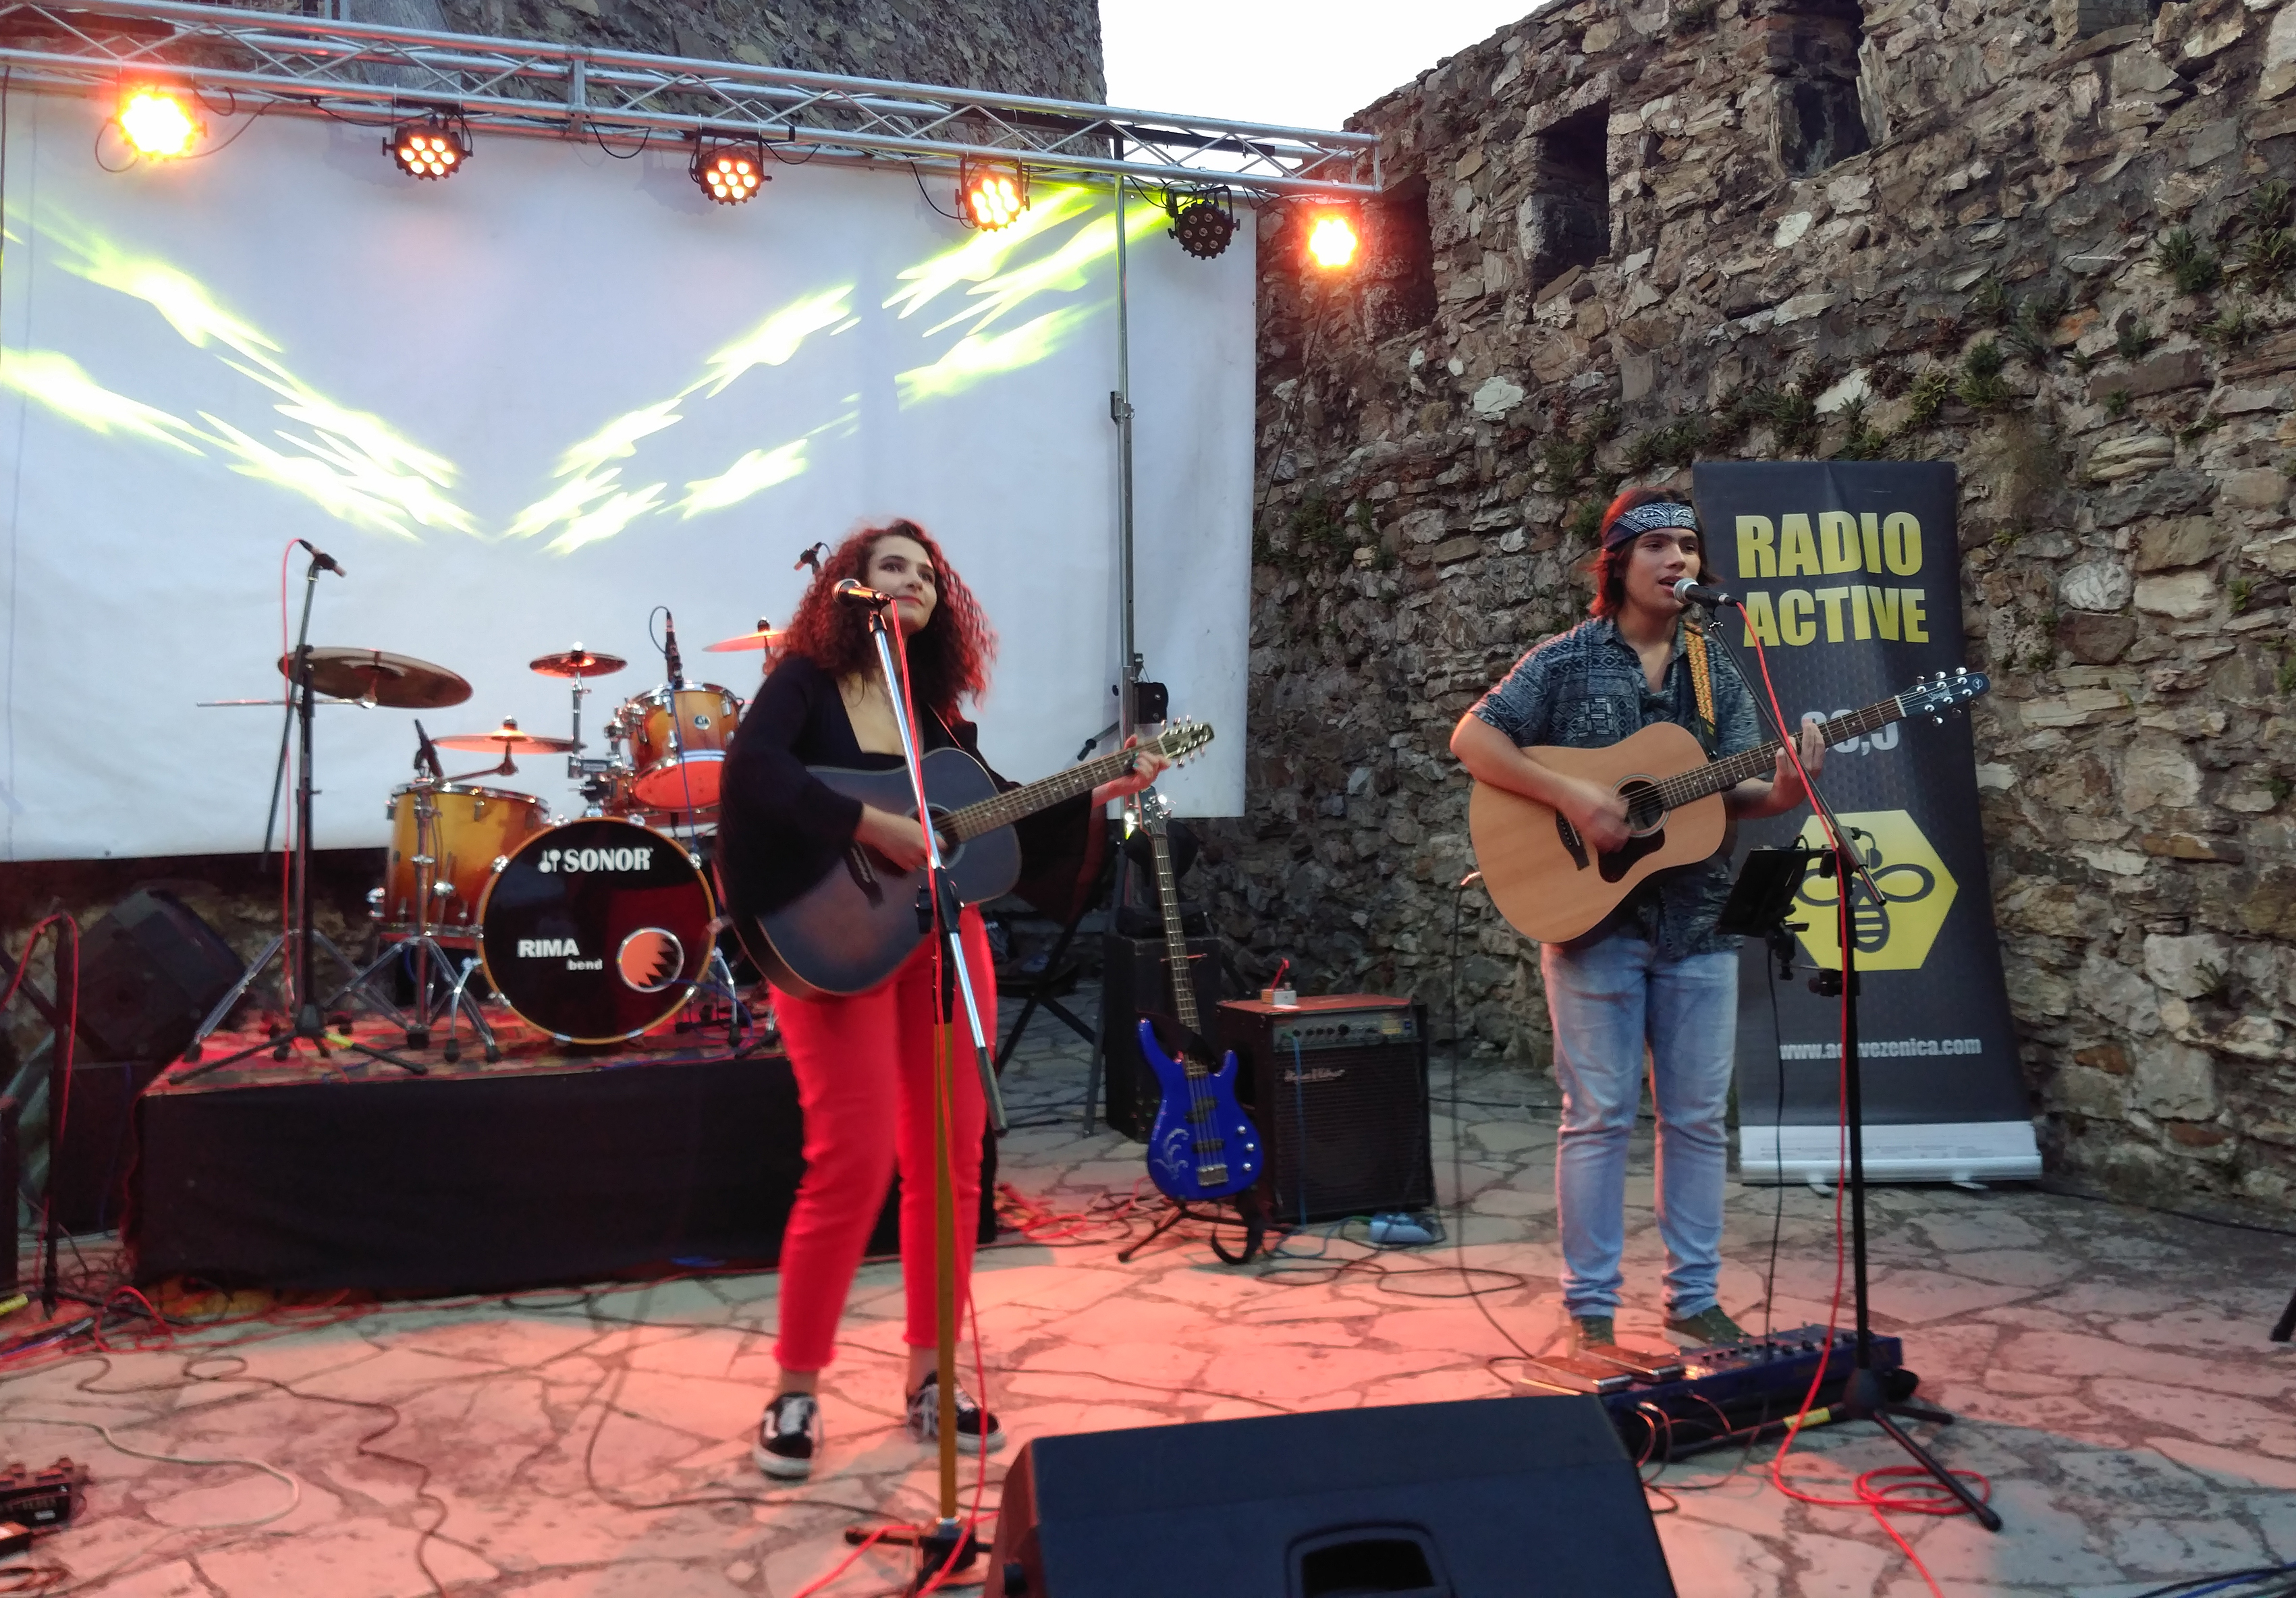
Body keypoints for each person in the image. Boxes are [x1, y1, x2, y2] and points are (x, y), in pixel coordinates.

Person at [717, 518, 1167, 1480]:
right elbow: (752, 773)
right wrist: (869, 824)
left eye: (926, 572)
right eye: (893, 566)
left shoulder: (934, 713)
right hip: (833, 944)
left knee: (952, 1161)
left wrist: (1104, 786)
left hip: (938, 941)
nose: (913, 581)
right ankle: (795, 1388)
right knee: (849, 1161)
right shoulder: (804, 682)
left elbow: (995, 812)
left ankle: (935, 1376)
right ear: (851, 585)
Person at [1448, 487, 1826, 1354]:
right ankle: (1590, 1308)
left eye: (1687, 544)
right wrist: (1573, 796)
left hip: (1699, 924)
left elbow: (1740, 792)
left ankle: (1694, 1299)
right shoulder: (1565, 659)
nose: (1677, 558)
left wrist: (1785, 788)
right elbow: (1473, 738)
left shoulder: (1714, 667)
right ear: (1617, 563)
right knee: (1599, 1116)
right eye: (1656, 544)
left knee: (1696, 1119)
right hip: (1593, 927)